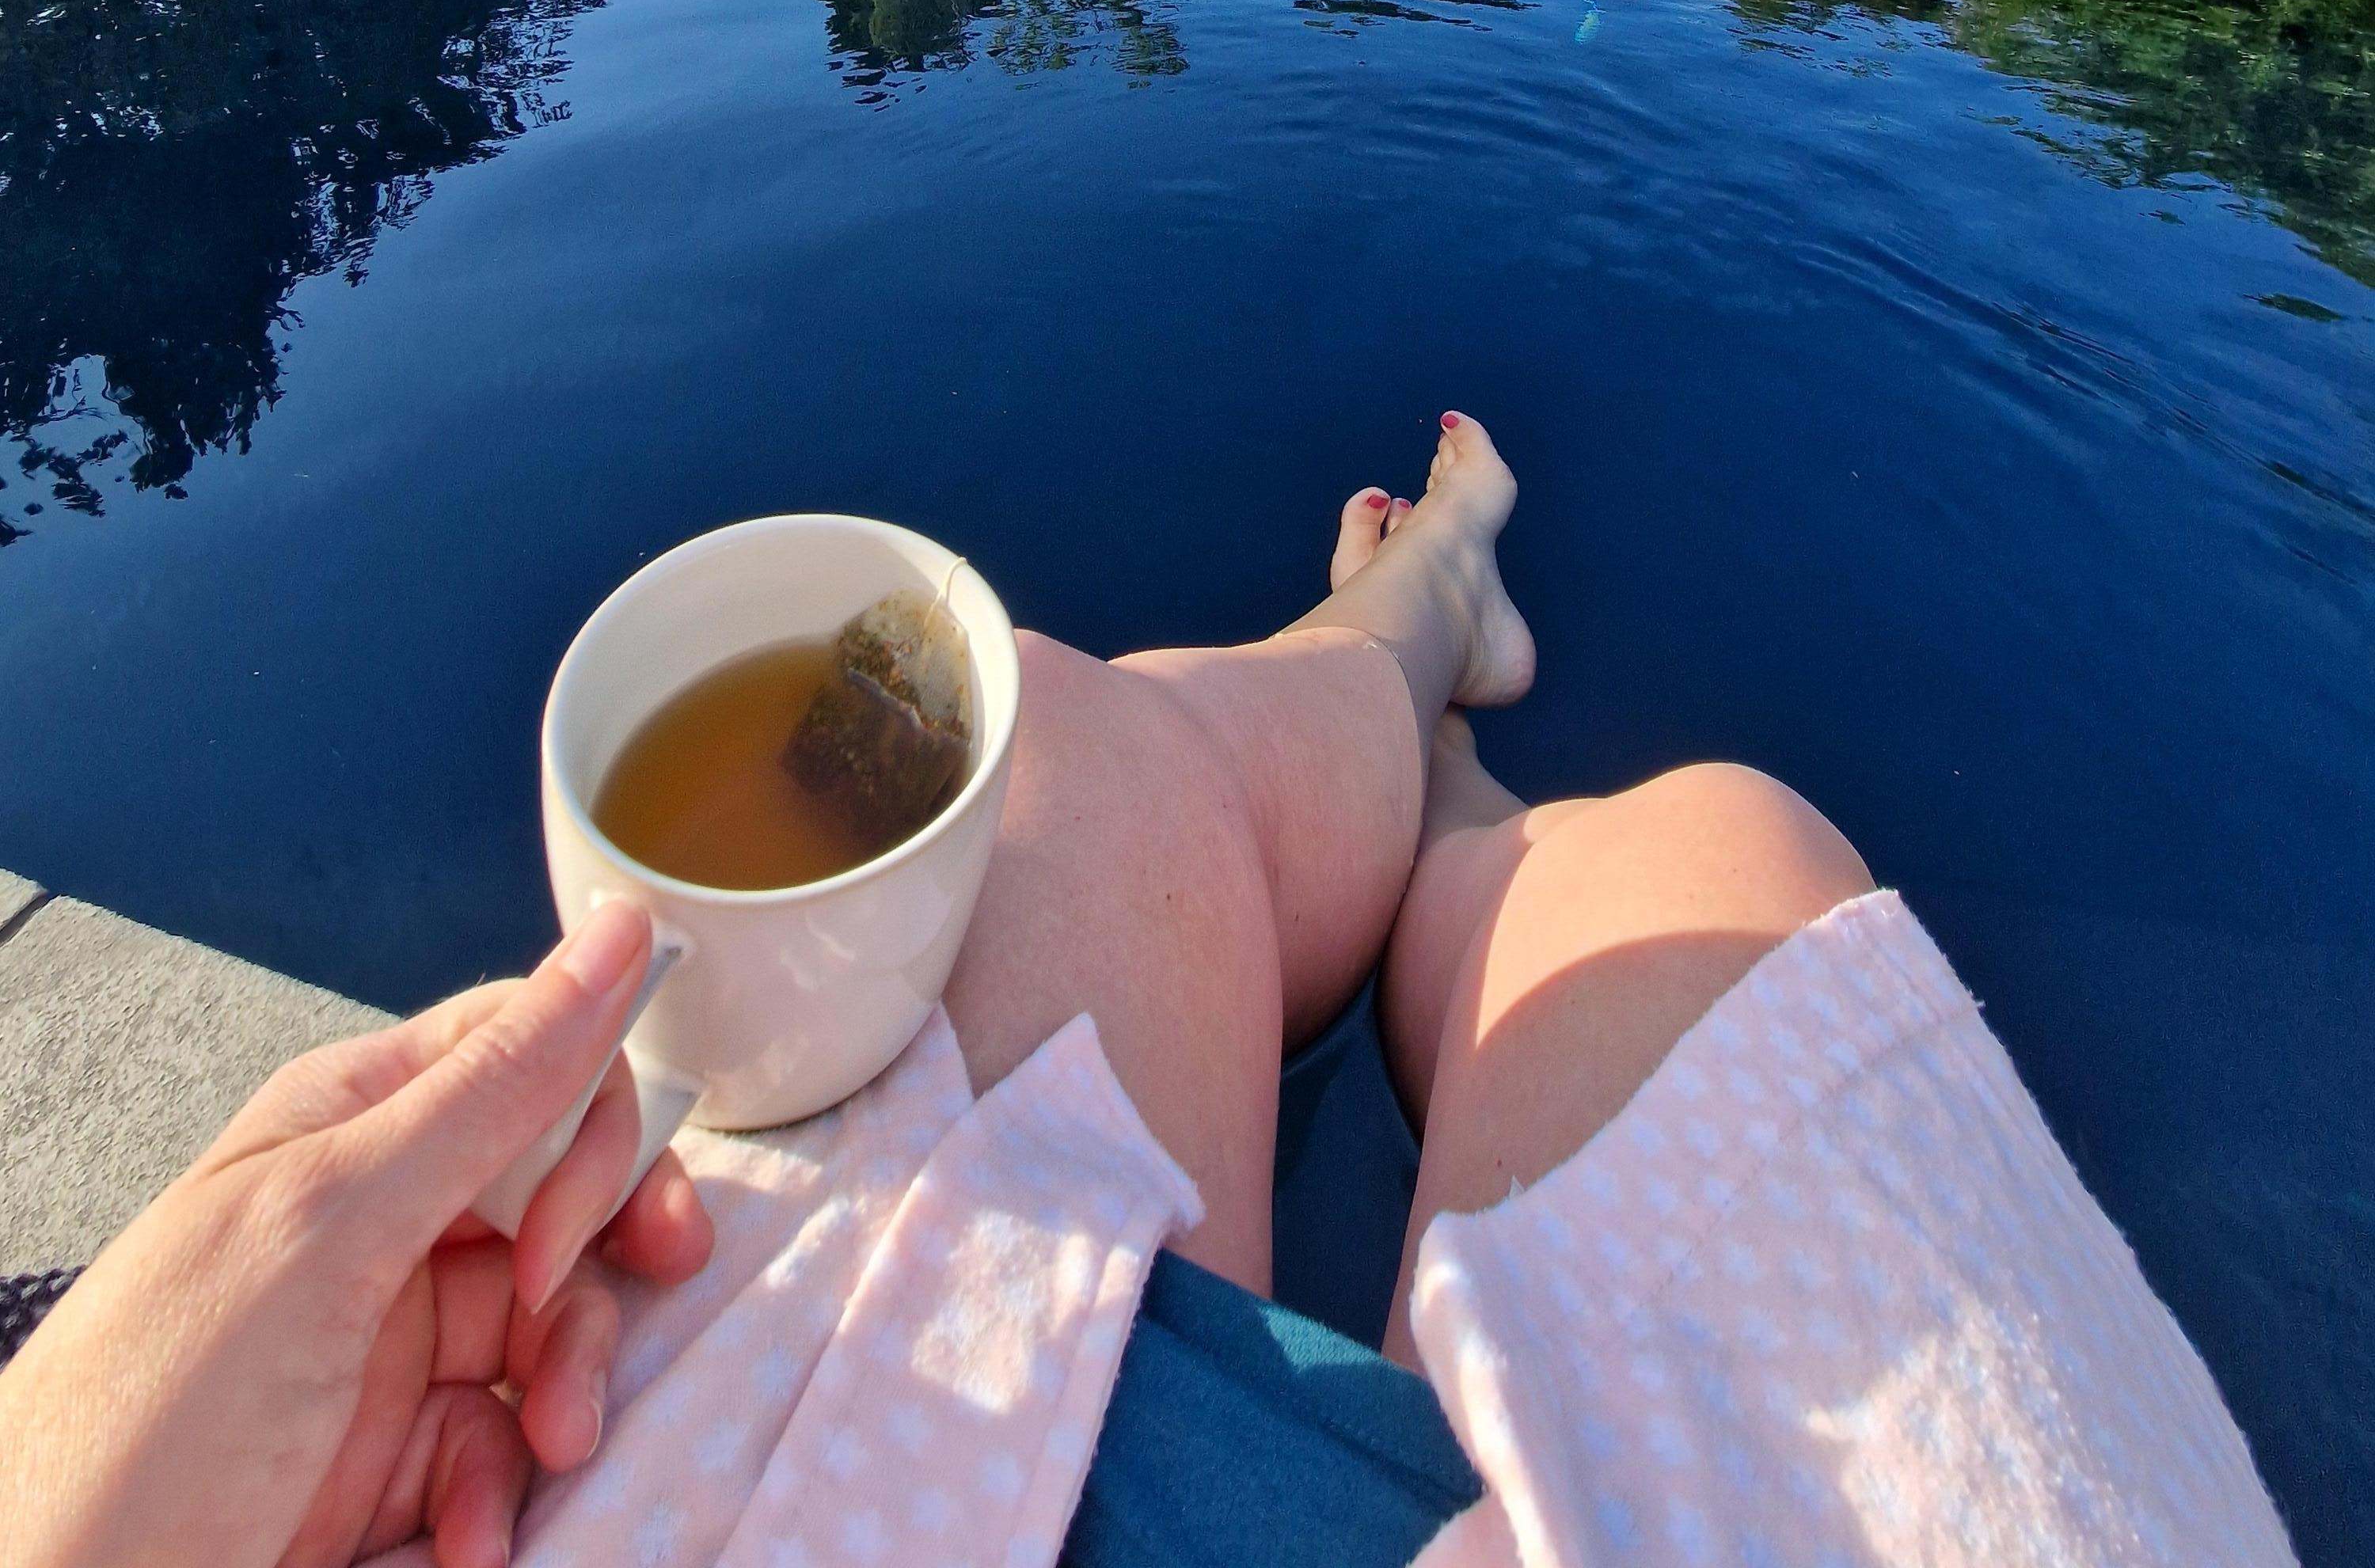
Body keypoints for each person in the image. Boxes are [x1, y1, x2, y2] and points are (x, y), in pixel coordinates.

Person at [0, 417, 2296, 1567]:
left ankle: (1409, 668)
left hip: (820, 1476)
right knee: (1705, 858)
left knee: (1054, 741)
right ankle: (1439, 704)